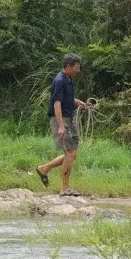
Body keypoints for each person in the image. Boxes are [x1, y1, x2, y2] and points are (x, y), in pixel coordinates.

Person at [36, 53, 87, 196]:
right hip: (61, 119)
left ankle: (44, 169)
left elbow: (66, 98)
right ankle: (64, 188)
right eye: (77, 68)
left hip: (68, 118)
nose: (78, 70)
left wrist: (77, 102)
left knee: (72, 153)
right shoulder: (59, 80)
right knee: (70, 153)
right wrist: (61, 125)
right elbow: (57, 103)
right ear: (68, 66)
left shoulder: (68, 79)